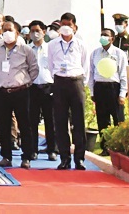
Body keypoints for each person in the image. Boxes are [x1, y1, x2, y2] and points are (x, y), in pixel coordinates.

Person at [0, 20, 39, 169]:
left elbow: (34, 68)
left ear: (17, 33)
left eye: (9, 30)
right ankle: (6, 156)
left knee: (25, 125)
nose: (6, 33)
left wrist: (26, 82)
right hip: (2, 92)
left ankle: (26, 157)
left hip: (21, 91)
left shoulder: (25, 50)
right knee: (4, 125)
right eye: (4, 30)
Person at [48, 14, 90, 170]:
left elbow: (85, 66)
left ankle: (79, 158)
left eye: (69, 24)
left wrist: (81, 81)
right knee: (60, 121)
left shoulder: (81, 44)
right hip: (59, 82)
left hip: (76, 82)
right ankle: (64, 158)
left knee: (78, 121)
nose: (65, 27)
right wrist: (57, 78)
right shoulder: (52, 45)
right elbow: (51, 65)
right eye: (63, 24)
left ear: (75, 27)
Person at [89, 27, 128, 150]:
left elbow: (123, 74)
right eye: (102, 34)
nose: (103, 37)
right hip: (99, 87)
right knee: (102, 119)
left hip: (113, 88)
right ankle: (105, 147)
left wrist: (122, 94)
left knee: (118, 120)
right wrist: (92, 91)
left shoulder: (119, 54)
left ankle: (119, 147)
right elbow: (91, 73)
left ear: (112, 38)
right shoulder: (95, 53)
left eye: (106, 35)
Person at [27, 21, 58, 163]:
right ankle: (32, 150)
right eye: (32, 31)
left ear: (44, 32)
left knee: (50, 120)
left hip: (48, 87)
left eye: (38, 30)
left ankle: (52, 150)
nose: (35, 34)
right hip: (32, 87)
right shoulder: (27, 49)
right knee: (31, 121)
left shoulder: (50, 48)